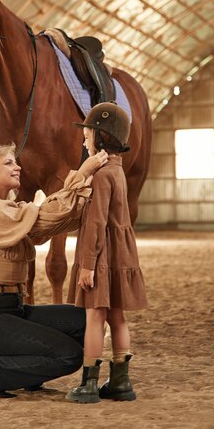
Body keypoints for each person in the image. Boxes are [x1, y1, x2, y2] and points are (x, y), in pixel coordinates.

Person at [0, 142, 108, 398]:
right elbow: (46, 214)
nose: (18, 167)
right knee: (69, 356)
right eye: (8, 163)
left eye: (15, 162)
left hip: (13, 308)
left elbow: (53, 220)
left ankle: (27, 373)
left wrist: (86, 194)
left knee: (87, 320)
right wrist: (82, 174)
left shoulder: (12, 212)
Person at [66, 101, 148, 404]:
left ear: (101, 137)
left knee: (94, 319)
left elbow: (97, 224)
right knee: (118, 318)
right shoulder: (117, 171)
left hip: (100, 257)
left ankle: (88, 384)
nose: (83, 141)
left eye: (87, 136)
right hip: (120, 255)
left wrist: (87, 265)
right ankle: (121, 382)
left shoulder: (100, 176)